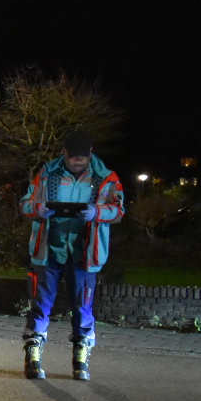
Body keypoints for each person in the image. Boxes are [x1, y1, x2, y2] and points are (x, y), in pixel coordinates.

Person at [18, 129, 124, 380]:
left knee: (83, 307)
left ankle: (81, 359)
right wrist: (38, 209)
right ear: (64, 153)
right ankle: (32, 358)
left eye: (83, 157)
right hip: (49, 250)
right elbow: (25, 204)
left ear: (91, 153)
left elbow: (118, 211)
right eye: (73, 156)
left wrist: (96, 213)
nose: (78, 161)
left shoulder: (107, 178)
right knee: (41, 305)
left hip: (85, 253)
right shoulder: (46, 174)